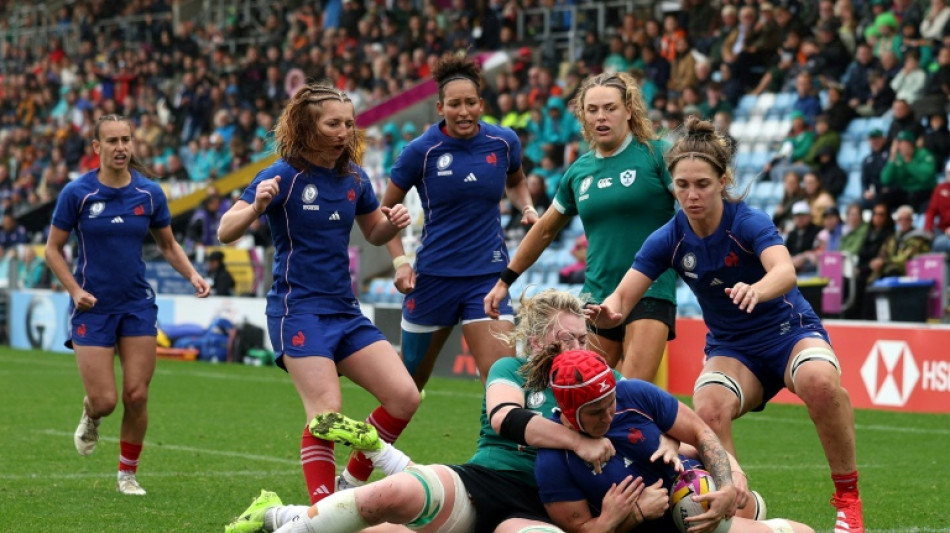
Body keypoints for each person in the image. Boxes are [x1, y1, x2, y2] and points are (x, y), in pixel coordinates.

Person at [590, 117, 865, 533]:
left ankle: (848, 500)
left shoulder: (747, 222)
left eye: (701, 184)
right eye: (682, 185)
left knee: (821, 383)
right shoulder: (669, 237)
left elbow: (785, 271)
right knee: (708, 409)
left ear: (722, 180)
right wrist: (610, 311)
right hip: (733, 349)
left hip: (789, 332)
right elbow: (624, 295)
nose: (691, 194)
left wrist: (759, 289)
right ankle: (737, 501)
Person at [223, 289, 617, 533]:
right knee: (384, 501)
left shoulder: (604, 381)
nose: (579, 348)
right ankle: (280, 521)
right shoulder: (508, 370)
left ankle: (284, 509)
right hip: (481, 484)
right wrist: (577, 442)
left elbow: (656, 417)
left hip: (540, 508)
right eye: (568, 338)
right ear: (535, 340)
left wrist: (675, 451)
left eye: (584, 339)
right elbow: (504, 418)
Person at [217, 83, 420, 504]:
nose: (344, 131)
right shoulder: (281, 175)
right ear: (308, 126)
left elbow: (374, 231)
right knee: (326, 417)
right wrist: (255, 207)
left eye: (348, 123)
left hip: (344, 311)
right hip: (298, 311)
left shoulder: (354, 178)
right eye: (333, 123)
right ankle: (324, 510)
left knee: (404, 397)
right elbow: (224, 231)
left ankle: (351, 482)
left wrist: (394, 222)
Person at [45, 114, 212, 496]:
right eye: (113, 141)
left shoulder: (149, 193)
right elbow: (53, 250)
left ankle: (127, 474)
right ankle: (90, 414)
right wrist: (73, 290)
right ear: (96, 147)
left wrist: (192, 276)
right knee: (105, 400)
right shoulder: (78, 193)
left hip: (137, 305)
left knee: (136, 394)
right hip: (93, 308)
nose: (121, 147)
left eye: (127, 139)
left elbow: (168, 244)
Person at [485, 72, 677, 382]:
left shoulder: (656, 154)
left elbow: (697, 207)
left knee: (631, 396)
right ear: (583, 116)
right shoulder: (579, 171)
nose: (601, 117)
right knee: (585, 393)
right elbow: (545, 230)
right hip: (597, 299)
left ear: (629, 110)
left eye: (610, 108)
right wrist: (505, 280)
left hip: (650, 292)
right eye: (592, 109)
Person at [381, 54, 537, 398]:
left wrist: (526, 206)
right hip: (433, 278)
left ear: (481, 104)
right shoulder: (420, 151)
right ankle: (377, 450)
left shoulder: (504, 141)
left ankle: (498, 451)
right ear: (440, 107)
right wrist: (400, 262)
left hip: (487, 278)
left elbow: (516, 182)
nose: (463, 111)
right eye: (455, 104)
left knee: (504, 380)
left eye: (470, 103)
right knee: (407, 388)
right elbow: (383, 213)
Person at [532, 349, 816, 533]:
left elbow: (701, 433)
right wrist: (632, 515)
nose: (609, 415)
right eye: (595, 412)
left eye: (611, 403)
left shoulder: (635, 394)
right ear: (569, 412)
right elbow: (579, 529)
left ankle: (743, 503)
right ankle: (748, 508)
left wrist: (727, 485)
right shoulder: (553, 460)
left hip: (700, 505)